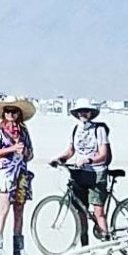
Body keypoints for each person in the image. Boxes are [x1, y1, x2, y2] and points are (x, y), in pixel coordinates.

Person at [53, 98, 111, 244]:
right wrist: (60, 159)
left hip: (96, 173)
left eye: (86, 111)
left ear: (91, 113)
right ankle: (84, 244)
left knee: (98, 212)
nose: (83, 114)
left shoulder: (99, 130)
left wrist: (89, 160)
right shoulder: (76, 129)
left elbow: (103, 155)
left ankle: (106, 244)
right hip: (80, 174)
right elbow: (71, 150)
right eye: (80, 111)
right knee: (81, 210)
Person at [0, 96, 35, 255]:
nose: (11, 114)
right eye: (8, 111)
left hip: (21, 174)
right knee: (4, 209)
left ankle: (18, 247)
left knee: (19, 210)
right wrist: (11, 149)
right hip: (5, 175)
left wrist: (25, 151)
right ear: (3, 113)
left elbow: (30, 154)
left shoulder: (23, 132)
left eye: (14, 111)